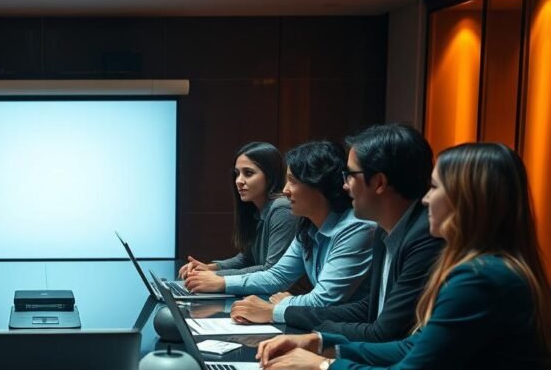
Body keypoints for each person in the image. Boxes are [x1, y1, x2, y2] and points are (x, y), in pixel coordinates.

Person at [257, 143, 551, 370]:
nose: (425, 199)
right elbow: (411, 346)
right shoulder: (491, 268)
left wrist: (322, 366)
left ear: (468, 200)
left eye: (435, 188)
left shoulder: (479, 278)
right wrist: (320, 342)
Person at [257, 124, 444, 338]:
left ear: (379, 182)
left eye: (350, 175)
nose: (344, 185)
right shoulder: (386, 228)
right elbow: (369, 309)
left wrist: (318, 343)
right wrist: (288, 315)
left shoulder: (424, 238)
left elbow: (385, 333)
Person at [185, 141, 375, 323]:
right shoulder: (307, 226)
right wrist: (221, 280)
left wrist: (278, 307)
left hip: (353, 334)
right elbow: (277, 276)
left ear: (318, 184)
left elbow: (323, 300)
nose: (285, 191)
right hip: (325, 324)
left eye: (292, 181)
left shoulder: (355, 227)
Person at [178, 142, 296, 278]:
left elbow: (271, 269)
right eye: (237, 174)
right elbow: (247, 259)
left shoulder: (281, 209)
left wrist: (215, 275)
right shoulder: (256, 209)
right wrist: (209, 267)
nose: (239, 181)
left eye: (248, 173)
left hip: (288, 296)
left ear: (270, 175)